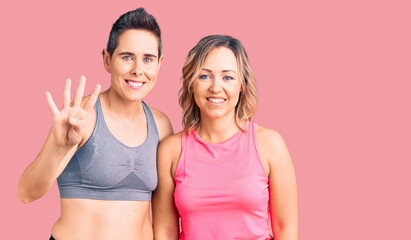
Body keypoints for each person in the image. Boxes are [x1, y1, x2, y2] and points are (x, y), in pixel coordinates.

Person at [17, 8, 173, 240]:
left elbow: (164, 218)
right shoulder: (82, 116)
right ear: (107, 60)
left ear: (159, 64)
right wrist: (59, 149)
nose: (138, 70)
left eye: (148, 59)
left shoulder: (160, 125)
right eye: (127, 57)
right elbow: (26, 193)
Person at [153, 35, 299, 240]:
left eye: (228, 77)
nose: (215, 87)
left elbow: (286, 229)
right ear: (191, 83)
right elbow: (164, 232)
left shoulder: (270, 144)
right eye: (204, 76)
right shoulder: (170, 151)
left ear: (242, 84)